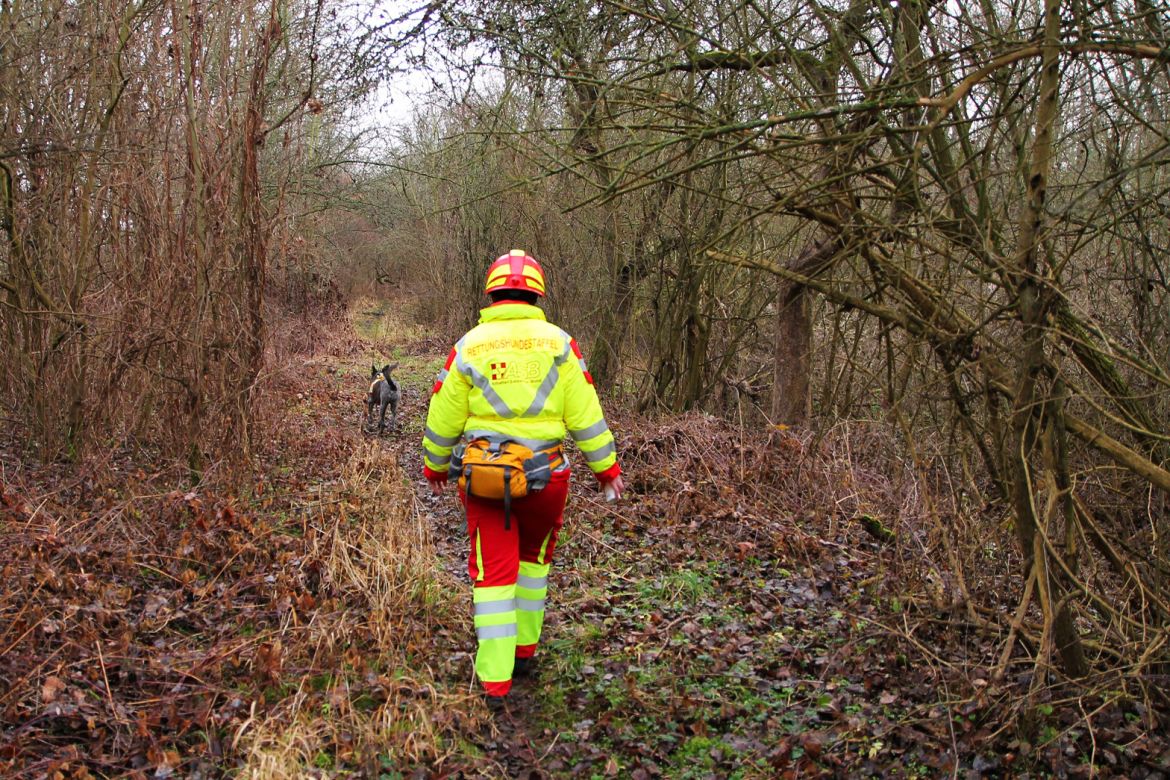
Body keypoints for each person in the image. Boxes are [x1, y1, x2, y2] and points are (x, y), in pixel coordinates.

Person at [421, 249, 625, 704]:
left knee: (493, 577)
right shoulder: (560, 344)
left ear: (492, 294)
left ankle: (495, 680)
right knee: (533, 564)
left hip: (486, 481)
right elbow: (586, 414)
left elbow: (443, 415)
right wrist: (606, 468)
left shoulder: (468, 346)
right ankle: (525, 651)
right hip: (547, 479)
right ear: (537, 295)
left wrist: (435, 464)